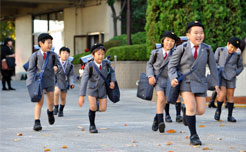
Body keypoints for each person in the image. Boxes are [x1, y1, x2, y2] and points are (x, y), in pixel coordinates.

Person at [168, 21, 220, 145]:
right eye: (195, 33)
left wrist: (216, 84)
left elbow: (213, 67)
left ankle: (186, 111)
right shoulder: (182, 48)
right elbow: (172, 65)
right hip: (186, 83)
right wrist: (173, 78)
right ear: (188, 35)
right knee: (192, 107)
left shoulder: (207, 49)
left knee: (201, 110)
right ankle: (194, 135)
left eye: (201, 33)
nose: (199, 36)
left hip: (201, 83)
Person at [146, 31, 180, 133]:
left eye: (172, 41)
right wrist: (150, 76)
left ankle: (156, 119)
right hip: (158, 78)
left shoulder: (175, 54)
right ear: (162, 41)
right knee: (160, 98)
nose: (169, 43)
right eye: (167, 40)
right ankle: (161, 121)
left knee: (166, 100)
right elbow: (149, 64)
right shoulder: (155, 52)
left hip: (170, 79)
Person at [78, 43, 116, 133]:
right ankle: (92, 125)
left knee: (103, 109)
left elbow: (112, 72)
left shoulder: (106, 63)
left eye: (102, 54)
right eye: (98, 54)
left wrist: (112, 81)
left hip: (103, 89)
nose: (101, 56)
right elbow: (84, 81)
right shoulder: (89, 66)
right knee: (92, 107)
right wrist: (81, 96)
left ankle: (95, 106)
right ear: (92, 55)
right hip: (92, 89)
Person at [26, 33, 61, 131]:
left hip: (50, 81)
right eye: (48, 43)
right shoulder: (35, 56)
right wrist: (30, 82)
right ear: (41, 43)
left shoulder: (53, 55)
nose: (50, 45)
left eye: (51, 43)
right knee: (39, 102)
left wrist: (56, 68)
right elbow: (31, 70)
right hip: (38, 82)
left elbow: (59, 67)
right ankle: (37, 122)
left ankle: (50, 112)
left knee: (51, 103)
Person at [214, 37, 244, 122]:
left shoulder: (237, 55)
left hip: (231, 77)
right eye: (231, 47)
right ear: (227, 44)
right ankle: (218, 110)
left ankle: (230, 116)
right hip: (221, 76)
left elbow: (241, 66)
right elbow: (214, 62)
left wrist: (235, 73)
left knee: (230, 96)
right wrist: (218, 69)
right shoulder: (220, 50)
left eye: (235, 48)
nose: (232, 49)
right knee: (222, 94)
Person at [53, 47, 75, 117]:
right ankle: (56, 107)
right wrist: (54, 70)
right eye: (63, 53)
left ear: (69, 55)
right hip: (57, 80)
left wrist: (71, 83)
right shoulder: (55, 63)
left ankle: (61, 110)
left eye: (67, 53)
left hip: (65, 82)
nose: (65, 55)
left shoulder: (70, 65)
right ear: (59, 54)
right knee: (56, 92)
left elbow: (71, 75)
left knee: (63, 97)